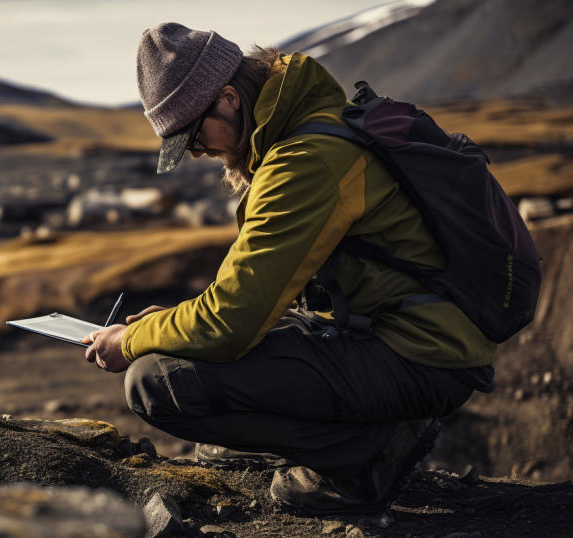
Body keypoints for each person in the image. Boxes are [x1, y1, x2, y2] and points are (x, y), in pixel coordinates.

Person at [81, 22, 496, 515]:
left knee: (155, 383)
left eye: (193, 134)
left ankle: (363, 456)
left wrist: (130, 341)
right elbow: (257, 297)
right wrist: (166, 324)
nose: (196, 152)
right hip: (391, 334)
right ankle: (351, 435)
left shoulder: (305, 161)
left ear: (230, 98)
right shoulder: (305, 132)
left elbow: (230, 322)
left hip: (421, 354)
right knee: (189, 353)